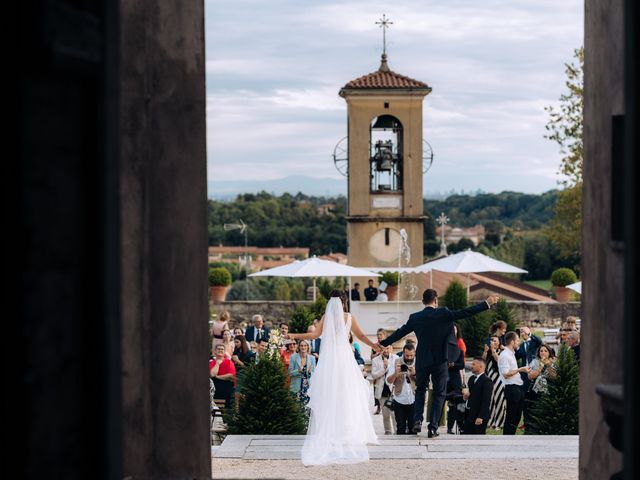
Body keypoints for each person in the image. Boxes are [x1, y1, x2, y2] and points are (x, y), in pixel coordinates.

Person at [378, 289, 500, 437]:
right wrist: (487, 303)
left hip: (422, 359)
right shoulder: (444, 313)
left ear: (423, 302)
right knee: (439, 393)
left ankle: (417, 420)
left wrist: (383, 343)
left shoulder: (415, 317)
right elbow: (465, 312)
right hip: (440, 360)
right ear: (436, 301)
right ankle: (433, 427)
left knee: (420, 390)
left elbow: (400, 332)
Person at [285, 289, 380, 465]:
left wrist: (294, 336)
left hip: (329, 358)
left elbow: (314, 335)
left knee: (329, 393)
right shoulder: (349, 317)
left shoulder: (326, 318)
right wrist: (374, 345)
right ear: (344, 301)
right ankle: (347, 431)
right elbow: (361, 336)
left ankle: (333, 431)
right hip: (344, 358)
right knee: (348, 393)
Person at [499, 331, 531, 435]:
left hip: (518, 388)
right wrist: (520, 369)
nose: (519, 342)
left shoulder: (511, 354)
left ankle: (511, 438)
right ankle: (507, 439)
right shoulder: (504, 355)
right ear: (512, 342)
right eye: (517, 340)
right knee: (511, 418)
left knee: (517, 418)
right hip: (512, 389)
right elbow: (505, 374)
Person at [386, 343, 417, 434]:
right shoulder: (396, 361)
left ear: (414, 353)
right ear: (403, 353)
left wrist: (414, 374)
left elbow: (424, 382)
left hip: (414, 400)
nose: (409, 357)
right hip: (399, 400)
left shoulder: (419, 362)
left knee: (413, 428)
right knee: (400, 428)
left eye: (411, 355)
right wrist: (396, 373)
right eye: (407, 355)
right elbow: (388, 381)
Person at [463, 357, 493, 435]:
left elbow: (486, 401)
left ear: (481, 366)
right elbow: (472, 395)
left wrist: (480, 417)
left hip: (479, 416)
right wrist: (466, 397)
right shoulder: (471, 379)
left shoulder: (487, 381)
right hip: (469, 414)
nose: (471, 366)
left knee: (478, 438)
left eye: (473, 364)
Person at [483, 335, 506, 429]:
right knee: (490, 399)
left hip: (499, 379)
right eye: (492, 340)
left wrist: (493, 350)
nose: (493, 342)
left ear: (499, 343)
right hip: (488, 378)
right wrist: (485, 351)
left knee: (499, 399)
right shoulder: (488, 352)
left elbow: (499, 362)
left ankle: (500, 422)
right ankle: (490, 421)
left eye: (495, 340)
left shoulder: (502, 352)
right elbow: (482, 362)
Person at [371, 345, 395, 433]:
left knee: (394, 414)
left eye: (388, 348)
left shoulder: (396, 358)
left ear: (392, 348)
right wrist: (384, 369)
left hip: (393, 390)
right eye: (384, 348)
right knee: (385, 414)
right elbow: (374, 375)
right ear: (381, 349)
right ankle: (388, 432)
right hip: (382, 391)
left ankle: (397, 432)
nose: (386, 350)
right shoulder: (375, 360)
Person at [445, 341, 465, 434]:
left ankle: (454, 427)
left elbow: (462, 365)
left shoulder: (459, 351)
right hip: (444, 381)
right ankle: (434, 425)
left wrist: (453, 364)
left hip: (455, 382)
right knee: (440, 404)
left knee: (456, 406)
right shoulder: (442, 350)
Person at [288, 340, 316, 406]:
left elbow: (314, 374)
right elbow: (290, 372)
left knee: (307, 408)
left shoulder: (312, 358)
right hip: (296, 387)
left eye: (305, 345)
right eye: (301, 346)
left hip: (308, 388)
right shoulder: (293, 357)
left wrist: (309, 373)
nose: (303, 347)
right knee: (296, 408)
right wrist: (298, 370)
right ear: (299, 347)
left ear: (308, 347)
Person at [210, 344, 236, 409]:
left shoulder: (229, 362)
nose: (220, 350)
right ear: (215, 351)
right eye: (218, 349)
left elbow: (231, 376)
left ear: (225, 352)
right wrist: (217, 364)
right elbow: (212, 374)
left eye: (222, 349)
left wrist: (218, 377)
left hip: (226, 389)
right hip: (215, 389)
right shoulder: (212, 362)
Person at [230, 335, 255, 403]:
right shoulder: (236, 352)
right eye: (235, 342)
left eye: (237, 342)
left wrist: (238, 361)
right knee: (234, 395)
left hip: (244, 376)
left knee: (238, 394)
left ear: (242, 342)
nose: (235, 344)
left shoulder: (249, 353)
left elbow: (249, 368)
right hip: (236, 375)